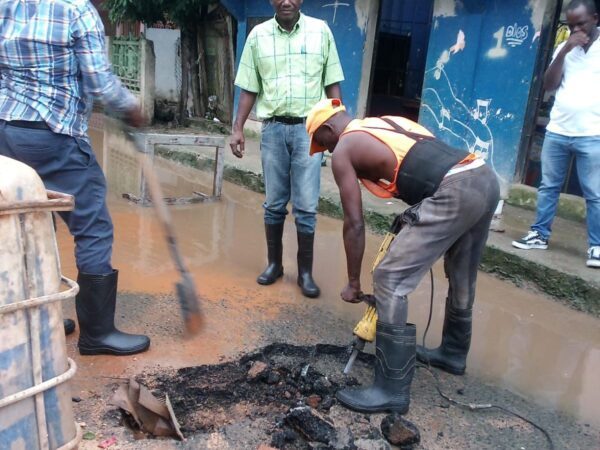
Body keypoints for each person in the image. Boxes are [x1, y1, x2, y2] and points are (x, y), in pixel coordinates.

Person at [306, 99, 499, 414]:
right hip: (483, 178)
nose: (327, 151)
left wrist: (353, 282)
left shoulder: (344, 149)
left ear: (329, 129)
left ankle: (390, 389)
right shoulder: (387, 122)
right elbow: (425, 165)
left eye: (322, 143)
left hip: (456, 188)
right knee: (461, 272)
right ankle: (453, 352)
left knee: (390, 277)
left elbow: (354, 223)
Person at [0, 0, 150, 355]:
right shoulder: (75, 9)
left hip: (6, 133)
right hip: (55, 136)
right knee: (93, 227)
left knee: (29, 222)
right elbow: (100, 85)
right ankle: (97, 334)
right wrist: (130, 108)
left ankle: (40, 317)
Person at [230, 0, 344, 298]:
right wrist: (237, 127)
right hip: (272, 130)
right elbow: (249, 88)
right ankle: (274, 265)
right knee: (274, 202)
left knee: (306, 205)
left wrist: (339, 127)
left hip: (311, 131)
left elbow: (332, 84)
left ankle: (305, 273)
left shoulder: (321, 32)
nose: (286, 1)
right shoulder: (257, 36)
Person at [512, 0, 599, 268]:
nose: (575, 31)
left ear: (595, 19)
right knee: (548, 186)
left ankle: (596, 246)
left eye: (580, 24)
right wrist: (564, 51)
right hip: (558, 130)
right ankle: (539, 234)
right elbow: (549, 84)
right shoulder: (565, 47)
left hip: (592, 134)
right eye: (571, 26)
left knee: (594, 193)